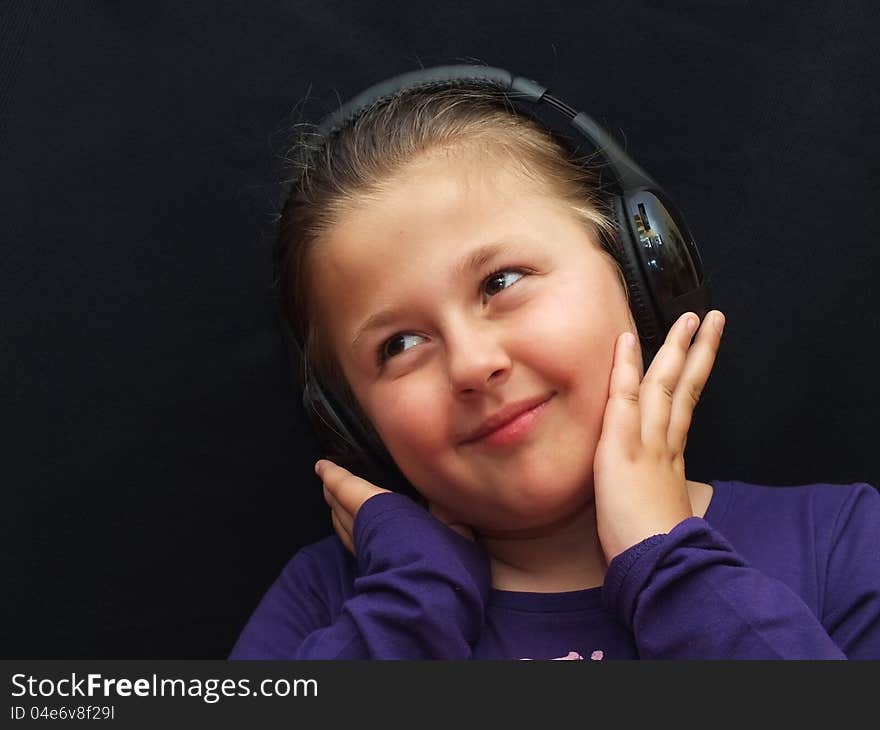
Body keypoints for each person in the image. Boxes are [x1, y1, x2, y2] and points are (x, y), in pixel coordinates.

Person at [229, 66, 880, 660]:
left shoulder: (844, 541)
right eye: (398, 345)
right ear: (350, 421)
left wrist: (669, 564)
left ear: (636, 275)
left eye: (501, 282)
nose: (472, 364)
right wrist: (413, 603)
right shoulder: (324, 610)